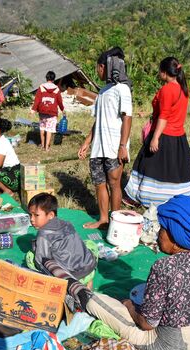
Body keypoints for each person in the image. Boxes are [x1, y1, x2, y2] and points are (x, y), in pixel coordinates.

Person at [46, 195, 190, 350]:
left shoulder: (164, 268)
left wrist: (128, 305)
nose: (158, 233)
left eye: (163, 229)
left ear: (175, 235)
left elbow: (147, 324)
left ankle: (76, 289)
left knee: (99, 303)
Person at [125, 57, 190, 208]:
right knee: (172, 169)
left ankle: (142, 198)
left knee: (147, 165)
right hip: (178, 136)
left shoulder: (167, 89)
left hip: (164, 134)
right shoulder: (183, 89)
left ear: (163, 72)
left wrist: (155, 137)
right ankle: (173, 198)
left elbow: (164, 116)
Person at [78, 47, 133, 229]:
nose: (97, 71)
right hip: (98, 148)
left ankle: (115, 221)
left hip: (114, 147)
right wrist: (87, 142)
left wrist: (123, 146)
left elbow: (127, 118)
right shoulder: (102, 92)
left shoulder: (122, 89)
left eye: (98, 68)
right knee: (99, 183)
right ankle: (103, 219)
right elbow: (97, 121)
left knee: (114, 184)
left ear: (104, 67)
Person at [27, 193, 97, 288]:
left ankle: (79, 284)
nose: (32, 219)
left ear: (51, 215)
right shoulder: (66, 223)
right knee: (89, 243)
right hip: (89, 265)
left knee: (30, 257)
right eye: (30, 215)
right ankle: (89, 281)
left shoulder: (43, 235)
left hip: (72, 277)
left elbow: (41, 261)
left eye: (36, 215)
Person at [31, 71, 65, 152]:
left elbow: (37, 99)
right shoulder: (56, 89)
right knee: (49, 130)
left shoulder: (41, 87)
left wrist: (33, 109)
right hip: (52, 113)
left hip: (42, 111)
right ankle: (47, 148)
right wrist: (62, 109)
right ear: (54, 79)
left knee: (42, 128)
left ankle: (42, 145)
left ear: (46, 78)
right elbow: (59, 101)